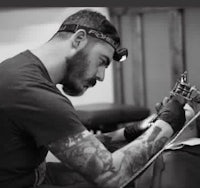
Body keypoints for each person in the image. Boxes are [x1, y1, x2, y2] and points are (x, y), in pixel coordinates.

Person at [0, 9, 186, 188]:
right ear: (79, 39)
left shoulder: (20, 71)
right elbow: (112, 176)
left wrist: (130, 133)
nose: (101, 76)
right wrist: (166, 124)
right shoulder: (35, 92)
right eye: (102, 61)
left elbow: (77, 147)